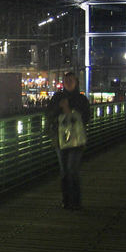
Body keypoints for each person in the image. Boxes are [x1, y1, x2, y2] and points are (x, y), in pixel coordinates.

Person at [47, 72, 90, 210]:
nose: (68, 82)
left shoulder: (81, 99)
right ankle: (66, 200)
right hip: (60, 140)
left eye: (71, 80)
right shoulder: (58, 97)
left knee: (72, 169)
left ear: (76, 82)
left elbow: (87, 117)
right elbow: (49, 113)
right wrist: (60, 109)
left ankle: (75, 201)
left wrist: (68, 110)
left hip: (76, 140)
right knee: (64, 171)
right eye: (66, 80)